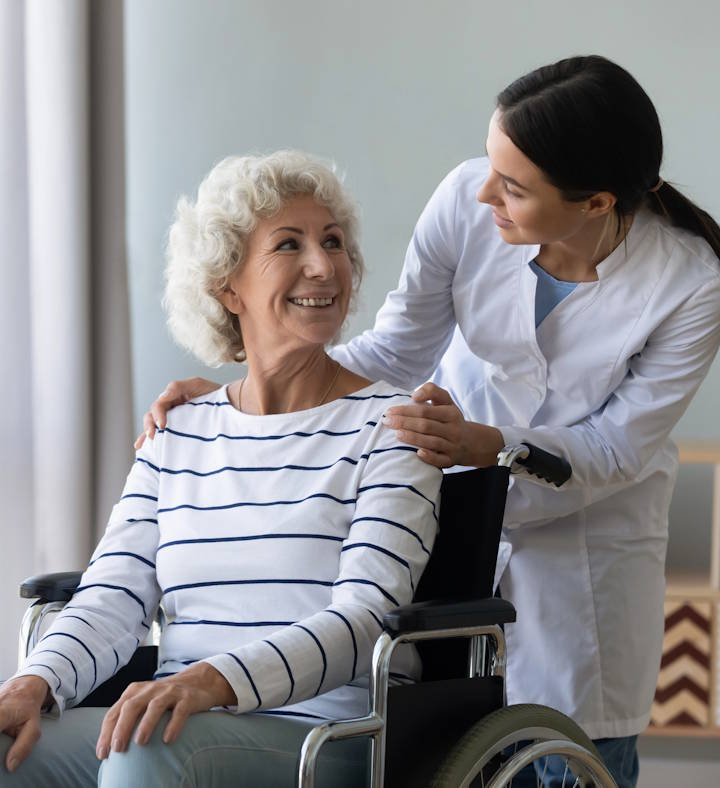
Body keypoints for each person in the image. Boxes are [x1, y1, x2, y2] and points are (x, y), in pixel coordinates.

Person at [139, 56, 720, 788]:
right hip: (446, 528)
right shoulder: (465, 205)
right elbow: (394, 351)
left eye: (513, 187)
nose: (484, 193)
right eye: (491, 165)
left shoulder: (690, 282)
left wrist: (490, 446)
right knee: (447, 745)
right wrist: (256, 386)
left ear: (596, 202)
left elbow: (616, 449)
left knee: (569, 755)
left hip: (584, 561)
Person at [0, 151, 442, 788]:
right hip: (178, 725)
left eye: (333, 242)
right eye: (289, 244)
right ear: (228, 286)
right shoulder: (179, 430)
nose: (323, 265)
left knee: (147, 749)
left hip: (330, 734)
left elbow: (366, 617)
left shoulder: (394, 426)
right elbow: (112, 596)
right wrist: (33, 683)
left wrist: (211, 681)